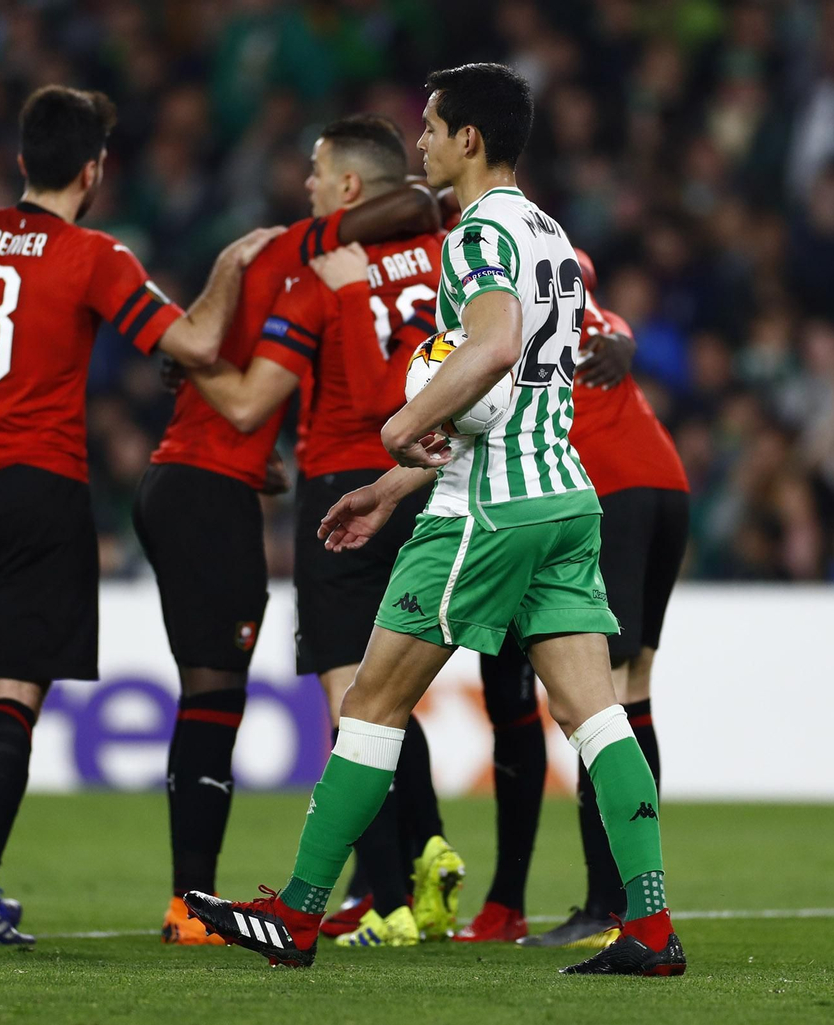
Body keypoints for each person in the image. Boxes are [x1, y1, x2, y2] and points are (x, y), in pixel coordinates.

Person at [183, 63, 686, 977]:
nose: (417, 142)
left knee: (371, 701)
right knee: (597, 716)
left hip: (486, 512)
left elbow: (492, 348)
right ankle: (649, 923)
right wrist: (388, 484)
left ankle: (297, 913)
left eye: (430, 127)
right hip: (565, 499)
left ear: (469, 140)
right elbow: (521, 386)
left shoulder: (480, 235)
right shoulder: (549, 233)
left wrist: (399, 423)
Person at [0, 84, 282, 947]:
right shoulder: (95, 256)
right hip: (38, 490)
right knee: (13, 698)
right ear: (95, 169)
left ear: (25, 161)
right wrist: (229, 268)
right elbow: (189, 344)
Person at [183, 114, 461, 948]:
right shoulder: (452, 256)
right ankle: (428, 857)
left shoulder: (318, 277)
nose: (304, 183)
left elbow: (247, 401)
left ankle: (386, 903)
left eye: (315, 170)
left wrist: (179, 345)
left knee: (354, 707)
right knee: (397, 690)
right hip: (436, 477)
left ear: (347, 187)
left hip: (349, 486)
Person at [462, 254, 690, 947]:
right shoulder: (583, 305)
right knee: (634, 689)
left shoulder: (499, 307)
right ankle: (626, 896)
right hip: (664, 482)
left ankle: (609, 905)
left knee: (598, 701)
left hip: (611, 487)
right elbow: (607, 315)